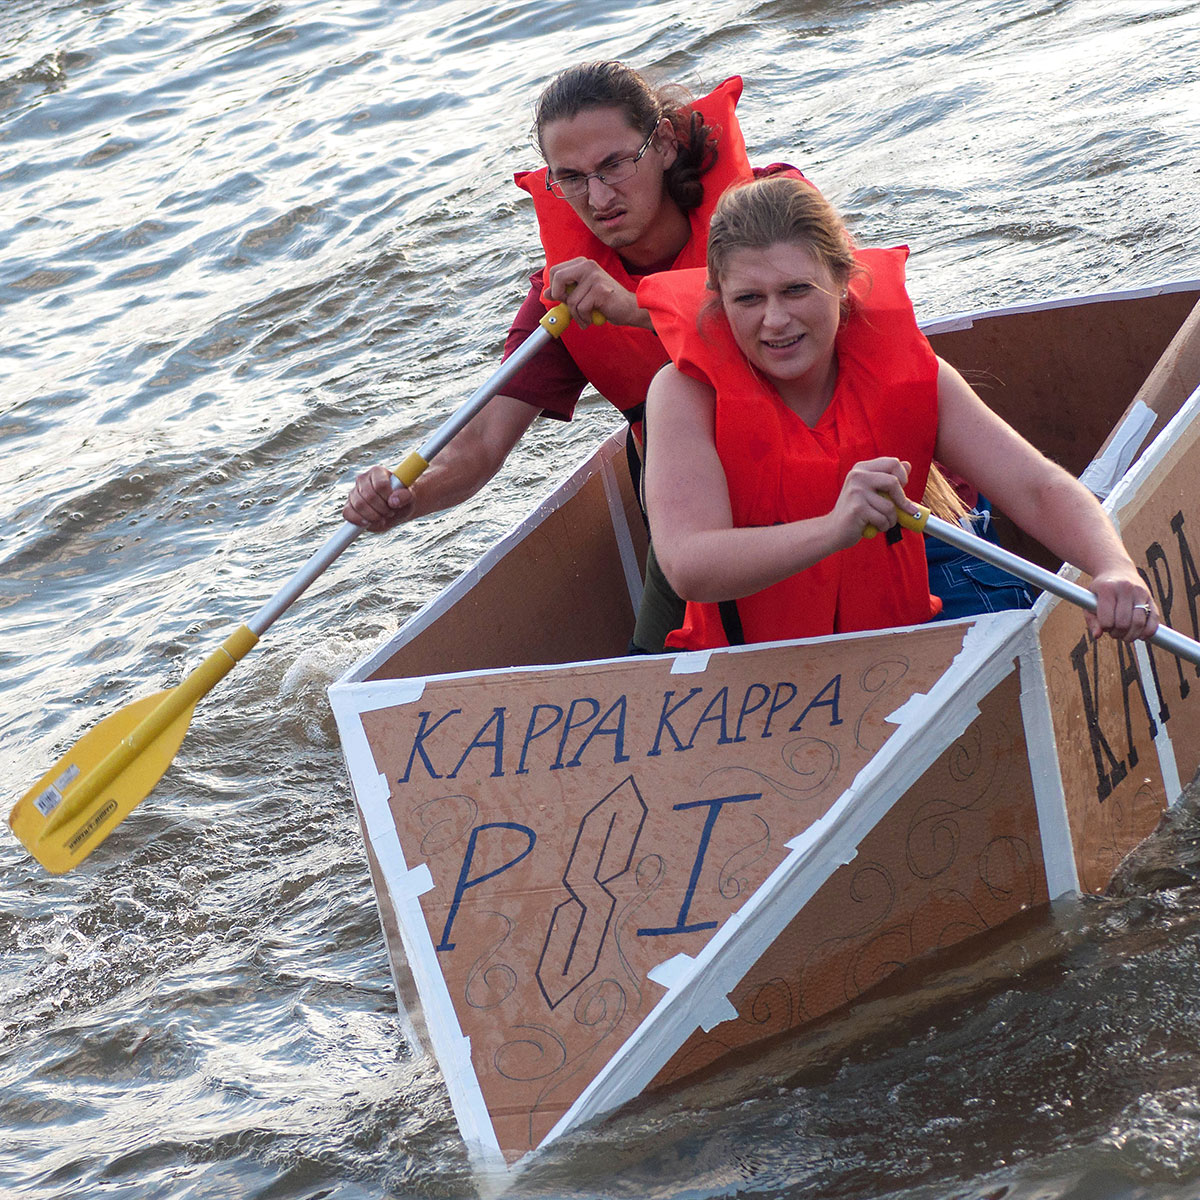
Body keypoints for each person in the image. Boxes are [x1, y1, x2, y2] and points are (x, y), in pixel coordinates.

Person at [343, 62, 805, 653]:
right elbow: (481, 443)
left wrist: (639, 307)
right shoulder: (565, 298)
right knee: (649, 681)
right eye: (573, 178)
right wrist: (405, 497)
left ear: (662, 143)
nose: (599, 196)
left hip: (822, 458)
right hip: (691, 513)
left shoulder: (774, 207)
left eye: (614, 164)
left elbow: (837, 315)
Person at [638, 175, 1159, 650]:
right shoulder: (684, 393)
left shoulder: (912, 374)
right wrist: (835, 527)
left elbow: (1036, 487)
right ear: (718, 299)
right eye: (748, 298)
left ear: (841, 280)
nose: (775, 320)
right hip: (753, 677)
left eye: (796, 290)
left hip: (894, 652)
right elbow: (688, 564)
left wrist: (1113, 566)